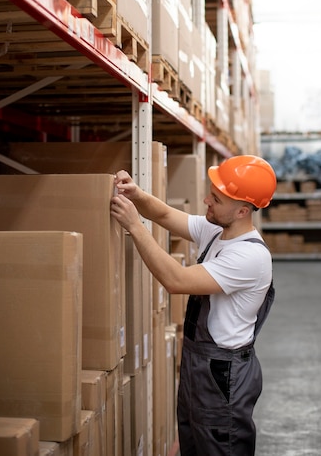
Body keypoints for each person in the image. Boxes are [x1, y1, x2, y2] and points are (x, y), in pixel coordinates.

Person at [110, 154, 277, 456]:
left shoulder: (250, 256)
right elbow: (164, 215)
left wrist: (135, 226)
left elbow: (176, 281)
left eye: (216, 198)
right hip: (198, 366)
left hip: (222, 375)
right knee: (193, 446)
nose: (206, 201)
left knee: (219, 448)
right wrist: (136, 194)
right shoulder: (218, 231)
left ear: (242, 210)